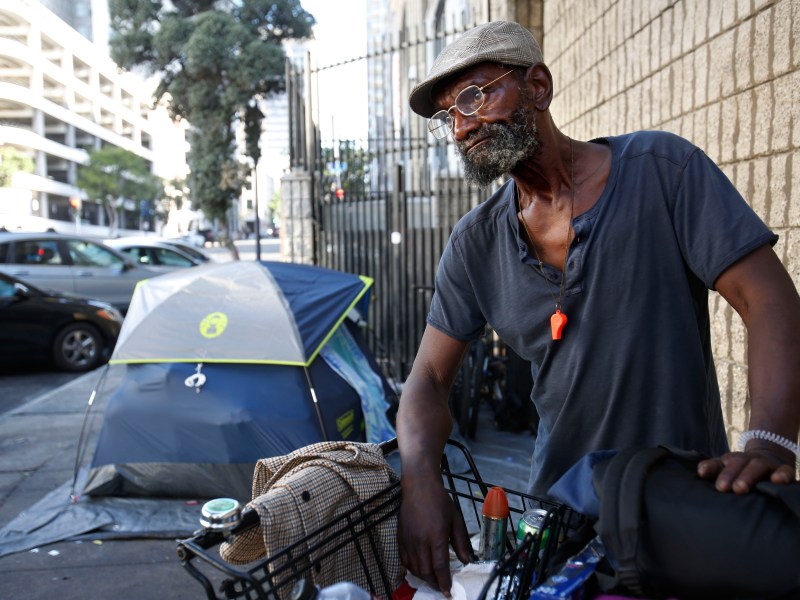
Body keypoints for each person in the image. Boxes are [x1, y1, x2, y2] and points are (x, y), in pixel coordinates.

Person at [396, 20, 800, 595]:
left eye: (474, 97)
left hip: (677, 504)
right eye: (448, 116)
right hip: (560, 516)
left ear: (538, 86)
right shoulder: (474, 244)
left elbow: (770, 300)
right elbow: (428, 380)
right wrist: (419, 481)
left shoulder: (662, 171)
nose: (462, 126)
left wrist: (770, 443)